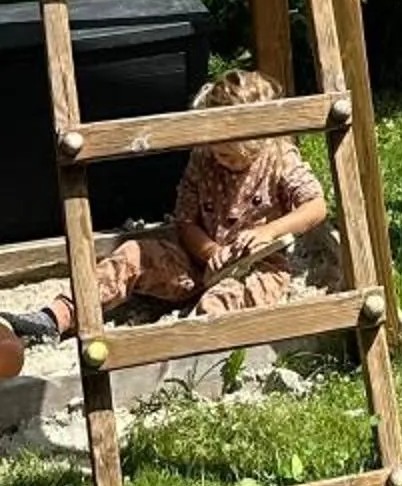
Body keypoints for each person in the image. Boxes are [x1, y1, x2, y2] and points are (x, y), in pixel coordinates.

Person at [0, 66, 330, 377]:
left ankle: (178, 363)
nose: (220, 158)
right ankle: (55, 317)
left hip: (258, 266)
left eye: (229, 155)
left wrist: (269, 231)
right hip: (199, 262)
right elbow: (185, 221)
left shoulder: (279, 157)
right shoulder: (204, 158)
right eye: (216, 151)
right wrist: (209, 251)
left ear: (258, 140)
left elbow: (316, 206)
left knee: (223, 302)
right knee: (132, 254)